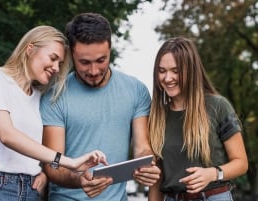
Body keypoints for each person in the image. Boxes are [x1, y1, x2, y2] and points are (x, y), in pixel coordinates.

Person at [0, 25, 108, 201]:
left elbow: (33, 148)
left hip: (30, 190)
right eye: (53, 58)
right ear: (30, 49)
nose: (55, 68)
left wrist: (42, 172)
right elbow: (7, 135)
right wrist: (70, 162)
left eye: (60, 64)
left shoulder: (39, 98)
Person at [40, 13, 161, 201]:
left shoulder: (136, 90)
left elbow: (142, 147)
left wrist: (147, 164)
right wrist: (80, 179)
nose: (94, 71)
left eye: (101, 60)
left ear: (110, 49)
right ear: (71, 53)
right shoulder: (55, 96)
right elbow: (52, 165)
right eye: (85, 62)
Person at [148, 37, 248, 201]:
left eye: (176, 70)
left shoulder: (218, 106)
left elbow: (241, 163)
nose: (167, 78)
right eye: (162, 71)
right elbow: (156, 178)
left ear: (191, 70)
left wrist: (213, 173)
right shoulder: (156, 117)